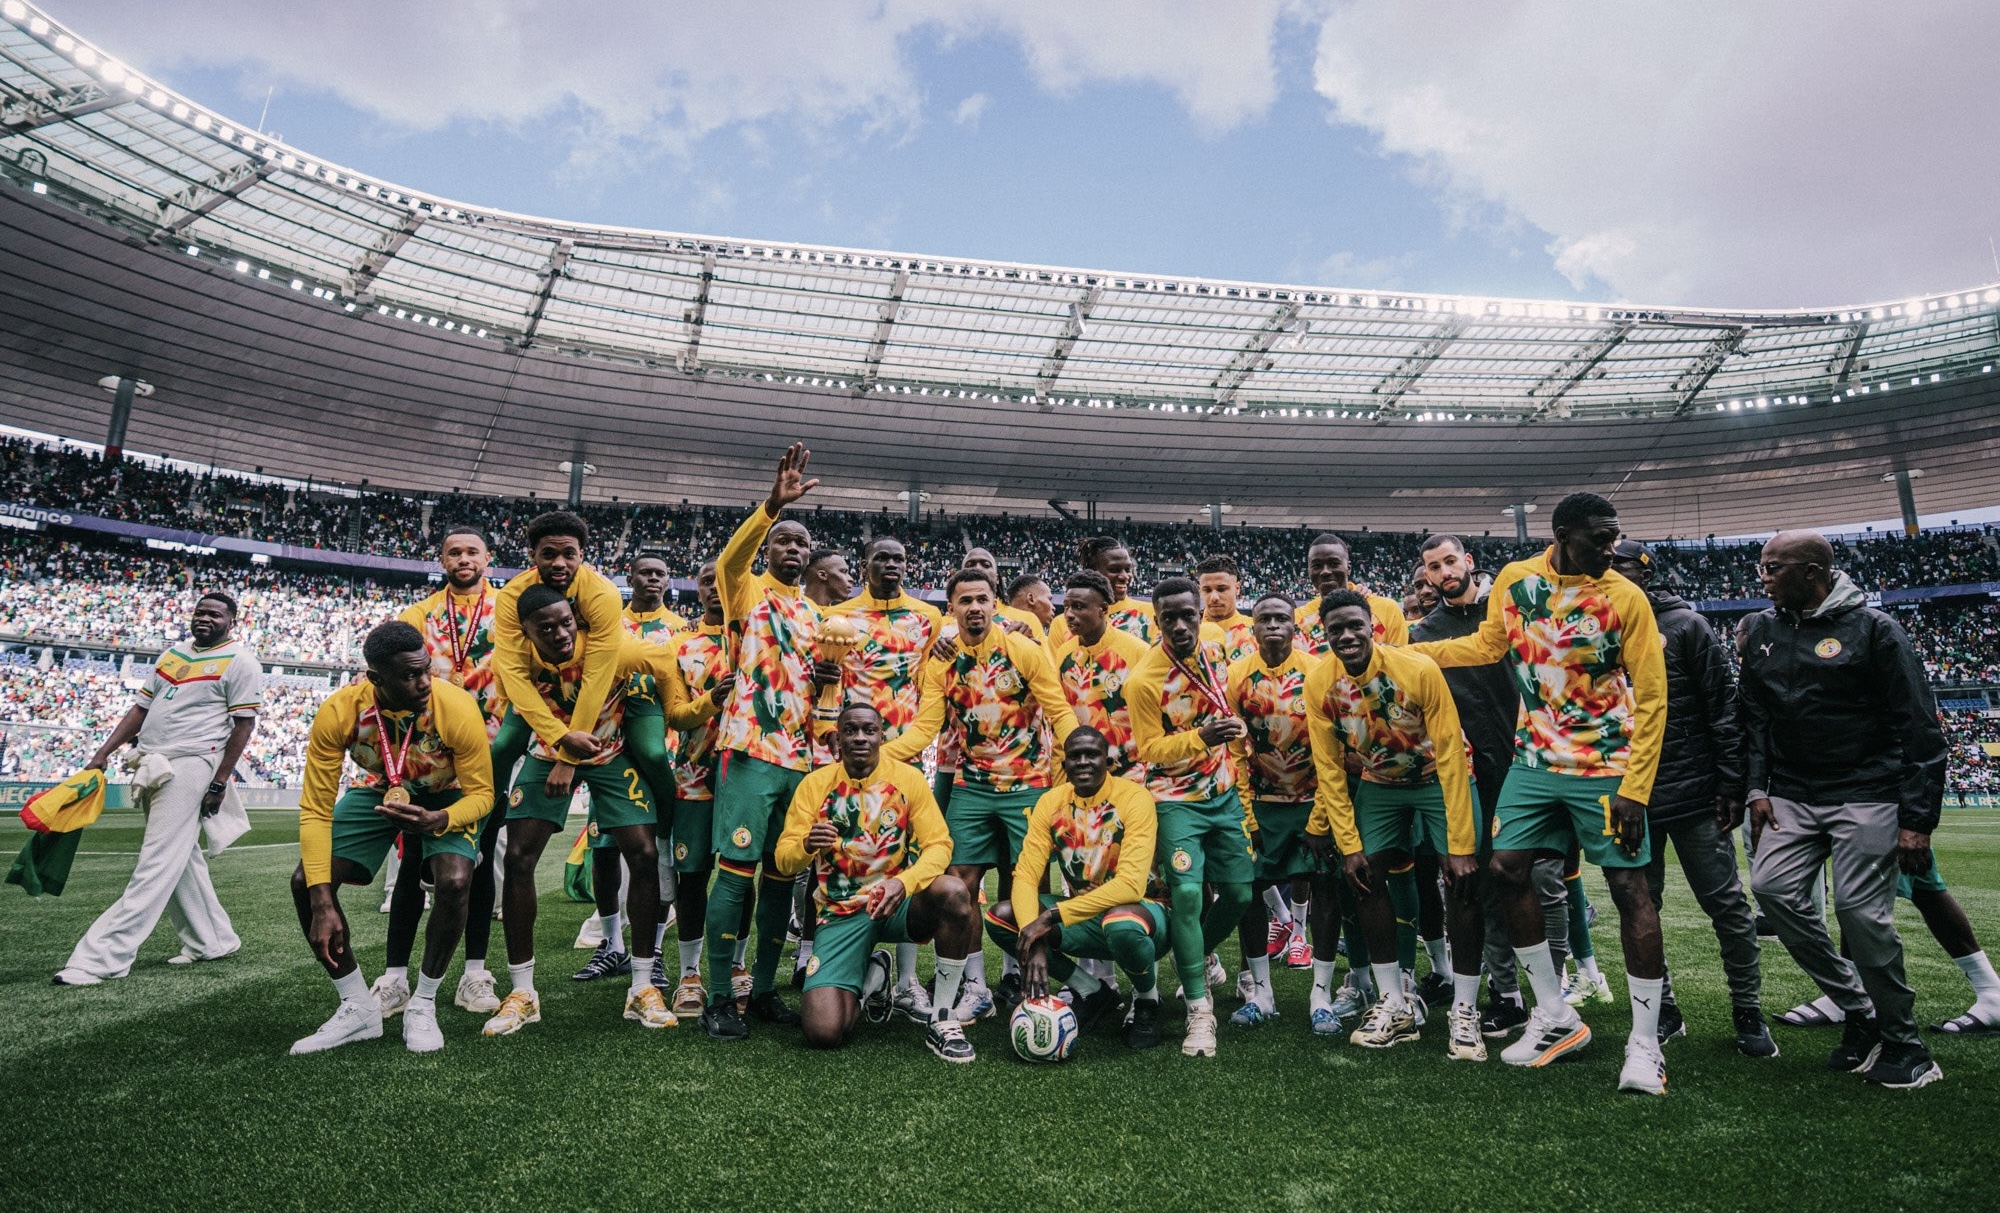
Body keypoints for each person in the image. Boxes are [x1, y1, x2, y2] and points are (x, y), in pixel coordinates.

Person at [1409, 492, 1671, 1096]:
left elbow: (1653, 698)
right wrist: (1411, 652)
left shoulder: (1625, 598)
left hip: (1607, 762)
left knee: (1630, 888)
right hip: (1534, 760)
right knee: (1504, 870)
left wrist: (1637, 786)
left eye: (1614, 538)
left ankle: (1645, 1045)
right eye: (1599, 540)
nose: (1612, 550)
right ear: (1561, 534)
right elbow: (1487, 646)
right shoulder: (1517, 579)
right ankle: (1554, 1016)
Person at [1740, 530, 1947, 1089]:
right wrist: (1756, 788)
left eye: (1772, 567)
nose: (1762, 576)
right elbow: (1754, 718)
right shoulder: (1760, 629)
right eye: (1762, 565)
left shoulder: (1876, 630)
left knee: (1861, 915)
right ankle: (1860, 1010)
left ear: (1812, 572)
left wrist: (1916, 821)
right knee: (1773, 891)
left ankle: (1907, 1046)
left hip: (1866, 792)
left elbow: (1922, 729)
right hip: (1790, 794)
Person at [287, 621, 494, 1055]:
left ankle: (423, 1003)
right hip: (380, 789)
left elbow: (483, 795)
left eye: (426, 670)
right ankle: (357, 1005)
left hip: (446, 793)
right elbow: (315, 810)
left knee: (456, 880)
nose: (424, 682)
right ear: (376, 678)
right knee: (305, 881)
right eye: (410, 675)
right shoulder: (339, 712)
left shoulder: (455, 706)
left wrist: (440, 818)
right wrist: (322, 901)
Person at [883, 567, 1078, 1018]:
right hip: (972, 785)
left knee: (1025, 882)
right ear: (951, 608)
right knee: (961, 882)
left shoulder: (1024, 649)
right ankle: (975, 988)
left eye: (982, 599)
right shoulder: (942, 661)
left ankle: (1019, 974)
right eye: (964, 600)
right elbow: (925, 731)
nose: (974, 607)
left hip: (1027, 784)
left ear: (995, 605)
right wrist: (878, 755)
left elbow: (1057, 709)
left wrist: (1082, 749)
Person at [481, 586, 674, 1035]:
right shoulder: (516, 659)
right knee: (517, 857)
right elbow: (526, 713)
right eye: (545, 628)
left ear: (578, 618)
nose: (560, 633)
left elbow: (664, 662)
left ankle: (642, 986)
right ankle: (522, 992)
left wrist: (670, 707)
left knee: (643, 855)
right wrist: (560, 752)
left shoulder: (613, 647)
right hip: (549, 750)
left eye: (566, 622)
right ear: (525, 632)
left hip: (609, 749)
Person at [1607, 540, 1773, 1057]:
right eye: (1607, 565)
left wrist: (1730, 784)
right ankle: (1664, 1011)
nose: (1613, 573)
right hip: (1630, 798)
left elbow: (1724, 709)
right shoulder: (1594, 629)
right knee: (1639, 908)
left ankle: (1748, 1010)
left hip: (1696, 793)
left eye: (1624, 566)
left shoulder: (1685, 626)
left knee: (1726, 906)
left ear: (1647, 572)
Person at [1303, 591, 1484, 1059]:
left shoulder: (1418, 670)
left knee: (1461, 879)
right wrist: (1348, 845)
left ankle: (1465, 1010)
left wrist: (1460, 845)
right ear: (1324, 634)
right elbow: (1329, 766)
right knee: (1363, 874)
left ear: (1373, 627)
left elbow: (1449, 751)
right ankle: (1394, 1003)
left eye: (1354, 626)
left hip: (1435, 777)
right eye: (1335, 629)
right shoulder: (1319, 682)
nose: (1346, 636)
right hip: (1379, 782)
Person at [702, 444, 841, 1040]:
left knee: (783, 878)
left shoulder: (818, 618)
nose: (794, 549)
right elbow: (732, 560)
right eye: (785, 540)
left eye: (801, 544)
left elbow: (825, 697)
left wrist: (831, 687)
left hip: (801, 760)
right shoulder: (746, 591)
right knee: (734, 872)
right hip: (749, 750)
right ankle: (716, 997)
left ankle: (760, 990)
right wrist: (770, 506)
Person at [54, 592, 259, 986]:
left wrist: (219, 782)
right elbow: (140, 710)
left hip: (192, 764)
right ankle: (212, 940)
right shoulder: (173, 654)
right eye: (200, 611)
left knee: (157, 859)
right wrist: (102, 753)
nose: (204, 618)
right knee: (181, 857)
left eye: (215, 614)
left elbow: (243, 726)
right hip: (150, 761)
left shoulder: (241, 661)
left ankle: (101, 958)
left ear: (231, 622)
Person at [1411, 534, 1563, 1040]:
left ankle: (1555, 993)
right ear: (1427, 576)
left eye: (1451, 560)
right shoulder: (1423, 636)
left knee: (1544, 883)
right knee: (1484, 885)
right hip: (1472, 778)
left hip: (1531, 766)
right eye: (1434, 566)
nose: (1444, 571)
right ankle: (1507, 996)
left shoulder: (1508, 611)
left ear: (1469, 562)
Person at [774, 704, 977, 1061]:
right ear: (838, 738)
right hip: (840, 913)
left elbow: (939, 845)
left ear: (882, 735)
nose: (860, 738)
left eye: (869, 730)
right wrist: (806, 845)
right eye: (851, 730)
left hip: (895, 903)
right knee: (823, 1033)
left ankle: (943, 1019)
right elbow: (783, 857)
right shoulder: (815, 785)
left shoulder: (907, 779)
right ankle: (874, 977)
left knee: (955, 893)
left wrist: (906, 883)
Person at [1125, 576, 1254, 1058]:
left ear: (1202, 614)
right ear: (1155, 620)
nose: (1180, 626)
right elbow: (1149, 749)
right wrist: (1201, 737)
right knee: (1185, 891)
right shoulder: (1144, 680)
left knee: (1240, 892)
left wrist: (1230, 729)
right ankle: (1200, 1011)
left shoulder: (1217, 646)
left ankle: (1192, 957)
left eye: (1188, 615)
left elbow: (1225, 698)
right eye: (1168, 618)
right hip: (1173, 797)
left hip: (1222, 792)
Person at [383, 524, 508, 1017]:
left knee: (478, 863)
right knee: (414, 859)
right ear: (441, 560)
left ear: (488, 559)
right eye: (453, 552)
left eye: (471, 552)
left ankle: (475, 973)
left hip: (493, 750)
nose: (463, 558)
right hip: (429, 752)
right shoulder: (419, 615)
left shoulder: (508, 610)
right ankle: (394, 977)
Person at [986, 728, 1169, 1050]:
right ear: (1064, 763)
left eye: (1092, 754)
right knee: (1001, 916)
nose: (1083, 762)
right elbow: (1027, 875)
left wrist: (1051, 917)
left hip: (1147, 914)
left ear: (1108, 761)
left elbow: (1130, 885)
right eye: (1075, 756)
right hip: (1087, 918)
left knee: (1121, 922)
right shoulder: (1051, 803)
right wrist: (1036, 940)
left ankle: (1147, 1001)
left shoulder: (1134, 798)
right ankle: (1092, 992)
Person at [829, 536, 945, 1022]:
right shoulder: (839, 618)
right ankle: (851, 957)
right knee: (849, 855)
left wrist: (894, 754)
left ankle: (907, 982)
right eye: (883, 558)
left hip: (903, 760)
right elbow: (830, 687)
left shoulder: (928, 618)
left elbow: (930, 694)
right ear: (865, 565)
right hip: (852, 760)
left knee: (909, 860)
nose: (892, 565)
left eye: (900, 557)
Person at [573, 551, 690, 986]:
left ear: (668, 580)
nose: (654, 579)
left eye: (661, 572)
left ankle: (654, 947)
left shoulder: (680, 630)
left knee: (657, 851)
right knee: (602, 847)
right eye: (646, 572)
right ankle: (612, 945)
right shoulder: (606, 624)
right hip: (608, 749)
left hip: (663, 749)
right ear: (631, 577)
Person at [1224, 595, 1322, 1027]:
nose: (1274, 625)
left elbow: (1331, 744)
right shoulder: (1237, 677)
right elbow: (1235, 750)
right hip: (1263, 801)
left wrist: (1325, 809)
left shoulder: (1316, 672)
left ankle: (1322, 993)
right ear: (1253, 628)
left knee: (1326, 886)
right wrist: (1247, 813)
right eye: (1265, 618)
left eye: (1283, 618)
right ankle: (1261, 992)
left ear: (1295, 627)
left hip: (1314, 799)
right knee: (1250, 888)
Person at [660, 561, 737, 1018]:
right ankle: (690, 974)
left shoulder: (755, 640)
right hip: (694, 776)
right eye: (709, 582)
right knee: (693, 878)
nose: (716, 589)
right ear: (698, 588)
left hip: (747, 773)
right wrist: (713, 700)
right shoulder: (679, 645)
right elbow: (676, 715)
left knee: (740, 873)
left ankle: (739, 966)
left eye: (724, 582)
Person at [1054, 570, 1152, 783]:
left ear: (1103, 610)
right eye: (1067, 606)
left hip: (1132, 773)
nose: (1069, 614)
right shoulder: (1064, 654)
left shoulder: (1138, 652)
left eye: (1079, 607)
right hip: (1082, 774)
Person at [1293, 532, 1408, 658]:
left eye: (1333, 563)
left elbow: (1400, 662)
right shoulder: (1299, 618)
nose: (1325, 571)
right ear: (1309, 570)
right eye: (1317, 566)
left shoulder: (1387, 609)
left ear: (1348, 567)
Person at [1047, 537, 1154, 649]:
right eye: (1114, 569)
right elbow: (1056, 665)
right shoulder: (1063, 623)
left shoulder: (1150, 614)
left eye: (1128, 569)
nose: (1125, 576)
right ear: (1093, 572)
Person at [960, 547, 1045, 640]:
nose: (978, 569)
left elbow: (1042, 654)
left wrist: (1030, 646)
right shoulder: (946, 624)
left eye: (986, 565)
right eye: (970, 565)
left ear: (997, 579)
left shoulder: (1027, 620)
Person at [1195, 555, 1257, 664]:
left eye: (1221, 589)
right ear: (1200, 590)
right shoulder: (1189, 632)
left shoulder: (1256, 632)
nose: (1214, 597)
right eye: (1207, 590)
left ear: (1237, 588)